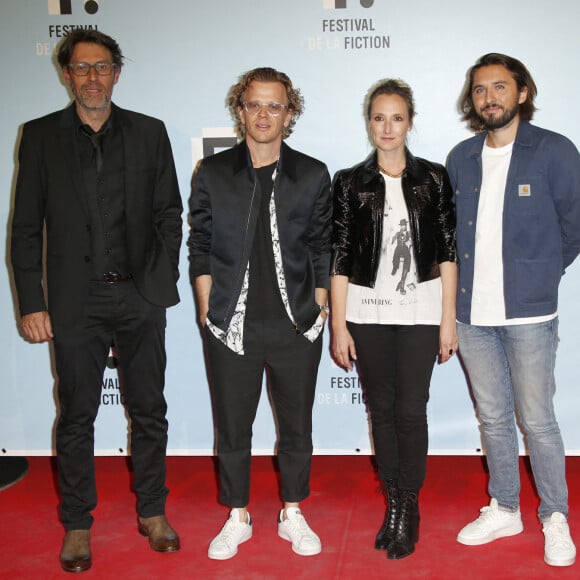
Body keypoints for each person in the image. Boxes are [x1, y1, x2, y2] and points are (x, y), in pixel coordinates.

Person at [10, 29, 182, 572]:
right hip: (73, 302)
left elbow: (168, 216)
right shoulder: (38, 137)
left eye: (102, 67)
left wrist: (155, 285)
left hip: (138, 297)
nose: (92, 77)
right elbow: (24, 230)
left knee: (149, 409)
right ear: (66, 74)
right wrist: (33, 302)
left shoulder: (150, 133)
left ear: (116, 72)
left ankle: (153, 512)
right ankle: (78, 524)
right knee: (77, 414)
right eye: (81, 68)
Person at [188, 67, 331, 560]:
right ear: (240, 109)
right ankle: (238, 516)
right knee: (232, 427)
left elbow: (322, 246)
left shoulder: (311, 173)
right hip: (232, 323)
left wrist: (319, 309)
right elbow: (200, 244)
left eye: (275, 105)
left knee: (296, 427)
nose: (264, 114)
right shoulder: (213, 173)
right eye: (255, 104)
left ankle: (292, 512)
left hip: (297, 324)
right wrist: (209, 308)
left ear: (290, 114)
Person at [448, 53, 580, 567]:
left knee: (538, 419)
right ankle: (504, 506)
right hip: (472, 315)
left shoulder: (554, 151)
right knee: (494, 419)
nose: (490, 98)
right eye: (480, 90)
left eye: (500, 88)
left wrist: (542, 273)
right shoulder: (461, 157)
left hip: (529, 313)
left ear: (522, 93)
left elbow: (574, 226)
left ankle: (555, 515)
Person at [330, 79, 457, 560]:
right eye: (379, 117)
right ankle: (395, 504)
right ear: (369, 123)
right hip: (366, 313)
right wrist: (339, 325)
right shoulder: (348, 182)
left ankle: (410, 504)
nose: (387, 127)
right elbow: (340, 256)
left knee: (410, 410)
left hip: (422, 311)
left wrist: (449, 319)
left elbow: (448, 250)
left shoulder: (433, 178)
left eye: (397, 117)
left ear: (410, 121)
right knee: (380, 411)